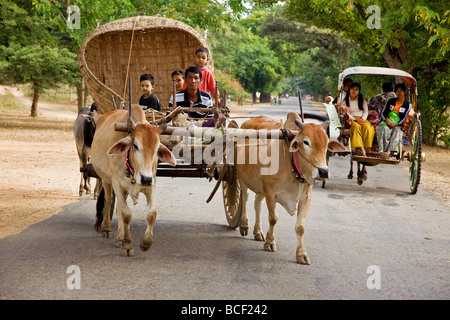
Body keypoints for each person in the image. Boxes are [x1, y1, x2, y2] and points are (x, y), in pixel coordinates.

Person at [376, 83, 412, 159]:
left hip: (398, 124)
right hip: (387, 122)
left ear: (404, 92)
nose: (399, 92)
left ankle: (388, 152)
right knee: (383, 129)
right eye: (397, 91)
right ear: (395, 92)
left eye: (401, 90)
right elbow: (383, 113)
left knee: (397, 131)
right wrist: (386, 120)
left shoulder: (407, 105)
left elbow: (405, 117)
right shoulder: (391, 101)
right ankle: (381, 152)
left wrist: (396, 124)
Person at [341, 82, 375, 157]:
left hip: (362, 118)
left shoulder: (361, 99)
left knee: (368, 128)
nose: (354, 91)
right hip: (351, 119)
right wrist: (354, 119)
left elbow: (366, 111)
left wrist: (363, 119)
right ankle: (361, 148)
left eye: (356, 90)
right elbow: (346, 112)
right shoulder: (345, 100)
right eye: (352, 89)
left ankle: (368, 148)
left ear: (359, 91)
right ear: (350, 90)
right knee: (356, 127)